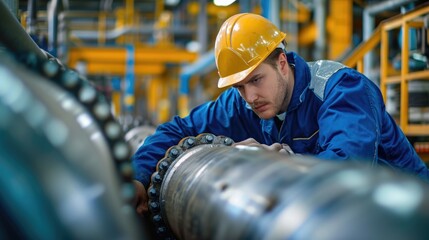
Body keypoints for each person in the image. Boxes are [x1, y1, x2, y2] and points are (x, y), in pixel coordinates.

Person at [132, 13, 429, 214]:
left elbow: (348, 168)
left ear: (282, 63)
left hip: (403, 214)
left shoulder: (342, 91)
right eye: (239, 87)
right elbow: (176, 130)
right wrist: (137, 178)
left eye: (256, 80)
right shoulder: (246, 103)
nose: (250, 97)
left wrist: (275, 161)